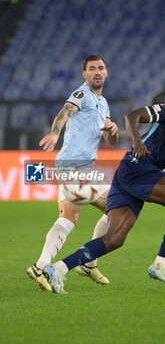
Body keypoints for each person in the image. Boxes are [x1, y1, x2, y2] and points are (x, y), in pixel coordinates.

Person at [41, 82, 165, 293]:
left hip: (133, 174)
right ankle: (161, 264)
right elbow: (133, 116)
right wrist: (137, 142)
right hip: (137, 165)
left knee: (115, 238)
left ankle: (58, 269)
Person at [27, 54, 119, 291]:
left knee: (68, 218)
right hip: (74, 166)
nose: (97, 72)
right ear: (84, 74)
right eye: (92, 69)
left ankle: (40, 266)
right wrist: (55, 133)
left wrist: (113, 130)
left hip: (76, 166)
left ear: (106, 72)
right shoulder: (82, 94)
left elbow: (111, 139)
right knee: (118, 208)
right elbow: (65, 113)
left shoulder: (104, 102)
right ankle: (88, 263)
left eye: (101, 68)